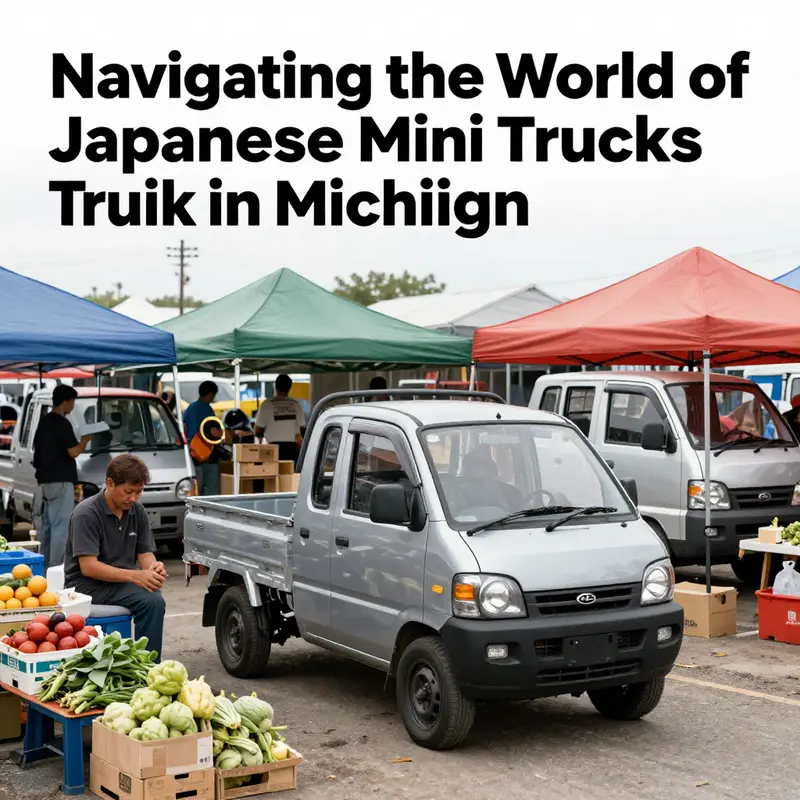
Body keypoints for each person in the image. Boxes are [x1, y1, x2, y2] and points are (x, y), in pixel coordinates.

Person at [63, 454, 167, 659]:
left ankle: (148, 664)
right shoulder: (86, 513)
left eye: (138, 492)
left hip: (120, 583)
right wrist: (135, 576)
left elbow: (145, 553)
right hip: (86, 586)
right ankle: (150, 665)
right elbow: (89, 567)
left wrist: (153, 568)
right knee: (151, 601)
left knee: (154, 596)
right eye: (128, 492)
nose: (133, 498)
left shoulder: (137, 511)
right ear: (110, 483)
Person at [32, 385, 91, 569]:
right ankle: (56, 568)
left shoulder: (44, 422)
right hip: (61, 481)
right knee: (61, 527)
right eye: (72, 401)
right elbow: (73, 452)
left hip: (45, 482)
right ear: (66, 401)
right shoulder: (62, 423)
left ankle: (43, 567)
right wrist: (85, 441)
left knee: (47, 528)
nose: (73, 406)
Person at [254, 374, 305, 465]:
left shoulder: (266, 405)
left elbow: (257, 431)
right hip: (292, 450)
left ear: (275, 387)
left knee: (272, 473)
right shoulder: (296, 404)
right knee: (290, 473)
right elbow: (303, 429)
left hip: (272, 450)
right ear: (290, 387)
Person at [183, 381, 220, 496]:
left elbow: (184, 427)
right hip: (207, 451)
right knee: (211, 487)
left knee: (196, 487)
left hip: (193, 452)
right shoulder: (208, 410)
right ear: (210, 394)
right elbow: (214, 432)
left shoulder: (190, 408)